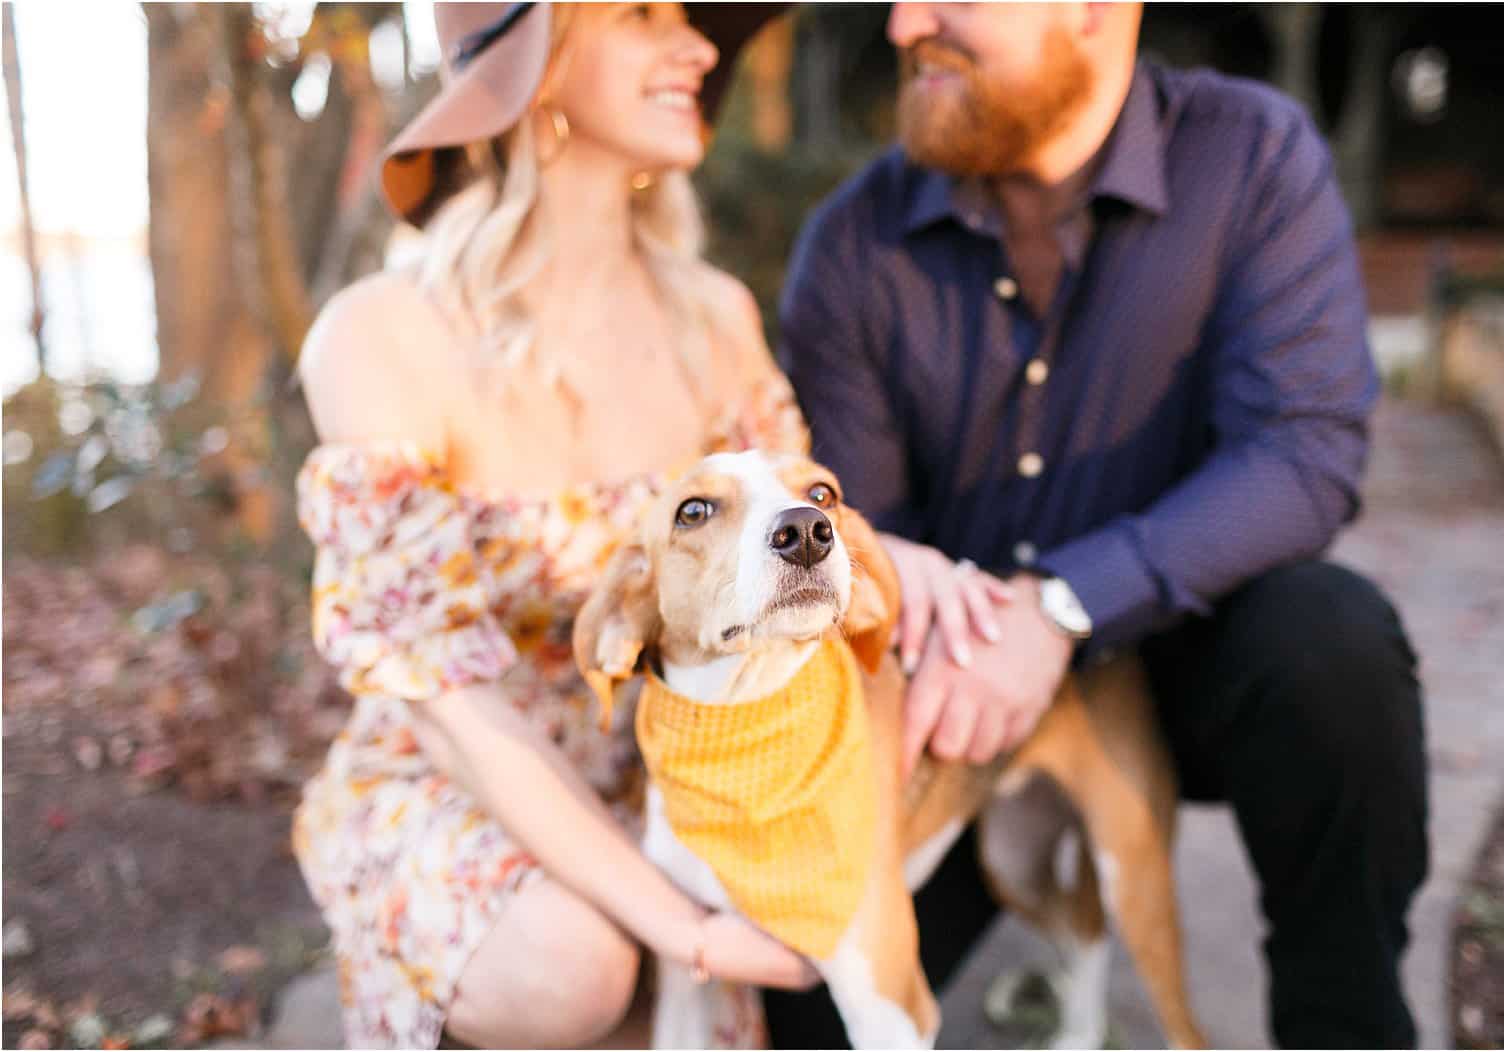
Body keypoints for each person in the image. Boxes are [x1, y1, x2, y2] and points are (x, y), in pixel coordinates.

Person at [766, 3, 1428, 1048]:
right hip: (957, 694)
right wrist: (906, 586)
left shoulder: (1248, 156)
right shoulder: (853, 242)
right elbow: (855, 529)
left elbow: (1304, 450)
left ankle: (1343, 1023)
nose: (902, 24)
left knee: (1330, 646)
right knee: (799, 1015)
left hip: (1187, 656)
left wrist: (1066, 602)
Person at [292, 3, 814, 1047]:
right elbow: (451, 701)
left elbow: (803, 574)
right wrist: (688, 929)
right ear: (531, 70)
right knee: (577, 964)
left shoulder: (715, 317)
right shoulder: (382, 334)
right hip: (460, 779)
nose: (702, 50)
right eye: (641, 13)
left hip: (674, 778)